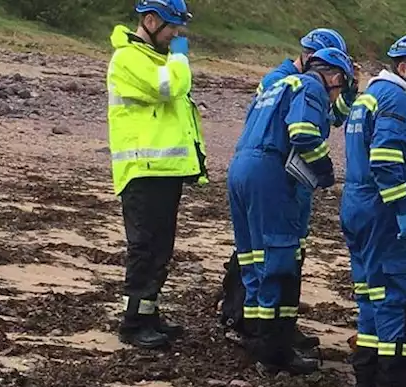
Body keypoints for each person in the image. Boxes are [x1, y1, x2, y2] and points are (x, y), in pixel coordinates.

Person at [218, 27, 353, 350]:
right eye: (341, 87)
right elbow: (305, 132)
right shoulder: (309, 86)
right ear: (332, 75)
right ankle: (273, 347)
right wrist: (325, 172)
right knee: (277, 258)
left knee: (252, 258)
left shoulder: (276, 85)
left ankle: (256, 333)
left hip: (242, 166)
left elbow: (324, 117)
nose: (337, 96)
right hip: (271, 171)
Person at [340, 34, 406, 387]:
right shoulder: (396, 99)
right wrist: (402, 211)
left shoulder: (368, 97)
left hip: (358, 204)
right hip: (383, 212)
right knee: (395, 295)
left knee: (369, 293)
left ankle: (366, 375)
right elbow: (385, 158)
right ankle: (393, 385)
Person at [106, 0, 207, 349]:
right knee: (145, 248)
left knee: (160, 249)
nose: (176, 35)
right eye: (171, 27)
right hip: (142, 170)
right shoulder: (128, 59)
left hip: (165, 170)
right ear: (149, 20)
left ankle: (149, 315)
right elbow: (167, 89)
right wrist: (180, 57)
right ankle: (132, 322)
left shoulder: (157, 59)